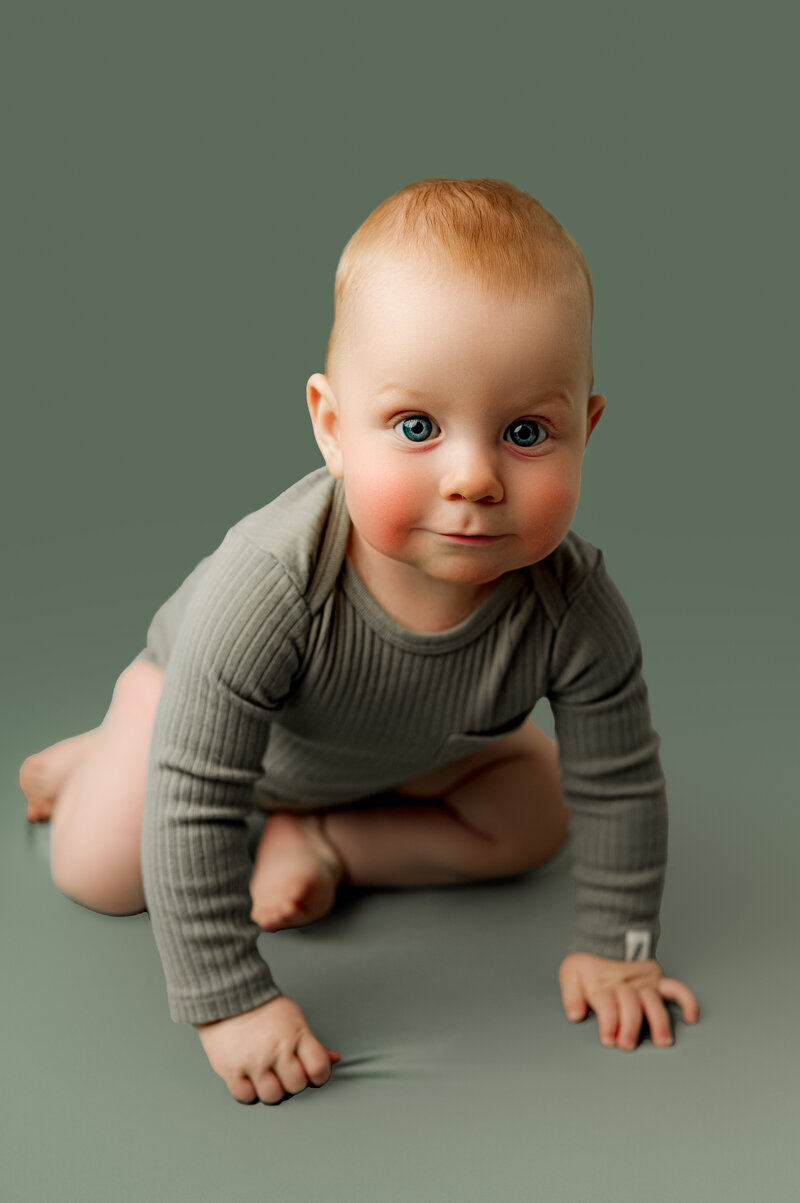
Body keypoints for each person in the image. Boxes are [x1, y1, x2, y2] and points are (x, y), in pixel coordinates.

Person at [20, 177, 700, 1106]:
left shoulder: (575, 606)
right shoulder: (272, 583)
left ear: (587, 429)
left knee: (540, 815)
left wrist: (620, 946)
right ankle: (103, 753)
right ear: (334, 428)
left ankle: (331, 842)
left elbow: (617, 776)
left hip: (403, 752)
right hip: (202, 732)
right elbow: (199, 789)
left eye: (525, 431)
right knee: (97, 871)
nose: (473, 477)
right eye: (416, 426)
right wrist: (232, 1001)